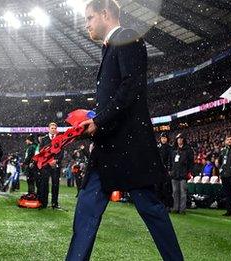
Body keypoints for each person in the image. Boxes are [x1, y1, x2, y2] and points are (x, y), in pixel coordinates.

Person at [66, 1, 183, 260]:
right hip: (108, 146)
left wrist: (99, 121)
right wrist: (96, 124)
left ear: (105, 14)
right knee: (86, 208)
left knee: (151, 210)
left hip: (130, 148)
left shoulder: (128, 38)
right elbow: (117, 95)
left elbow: (130, 89)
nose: (86, 23)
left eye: (89, 17)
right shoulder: (111, 48)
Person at [38, 122, 64, 209]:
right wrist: (49, 160)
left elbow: (61, 152)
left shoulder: (60, 139)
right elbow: (41, 152)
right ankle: (43, 203)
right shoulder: (43, 139)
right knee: (44, 184)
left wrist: (56, 160)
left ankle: (54, 203)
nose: (53, 129)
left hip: (55, 165)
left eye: (54, 128)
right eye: (52, 128)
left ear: (56, 129)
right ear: (48, 129)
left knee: (55, 184)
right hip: (46, 165)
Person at [170, 133, 193, 214]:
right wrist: (170, 170)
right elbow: (171, 161)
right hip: (174, 173)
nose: (179, 140)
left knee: (183, 192)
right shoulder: (173, 150)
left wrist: (190, 172)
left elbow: (191, 162)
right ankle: (175, 208)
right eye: (178, 139)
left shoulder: (188, 150)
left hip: (183, 173)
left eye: (181, 138)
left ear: (183, 139)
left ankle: (182, 209)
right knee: (175, 192)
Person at [156, 133, 173, 209]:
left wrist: (169, 169)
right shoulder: (158, 147)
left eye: (165, 138)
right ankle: (159, 204)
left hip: (166, 170)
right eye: (162, 138)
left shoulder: (170, 148)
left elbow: (170, 159)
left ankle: (167, 205)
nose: (163, 139)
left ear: (167, 139)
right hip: (159, 170)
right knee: (158, 188)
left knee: (166, 188)